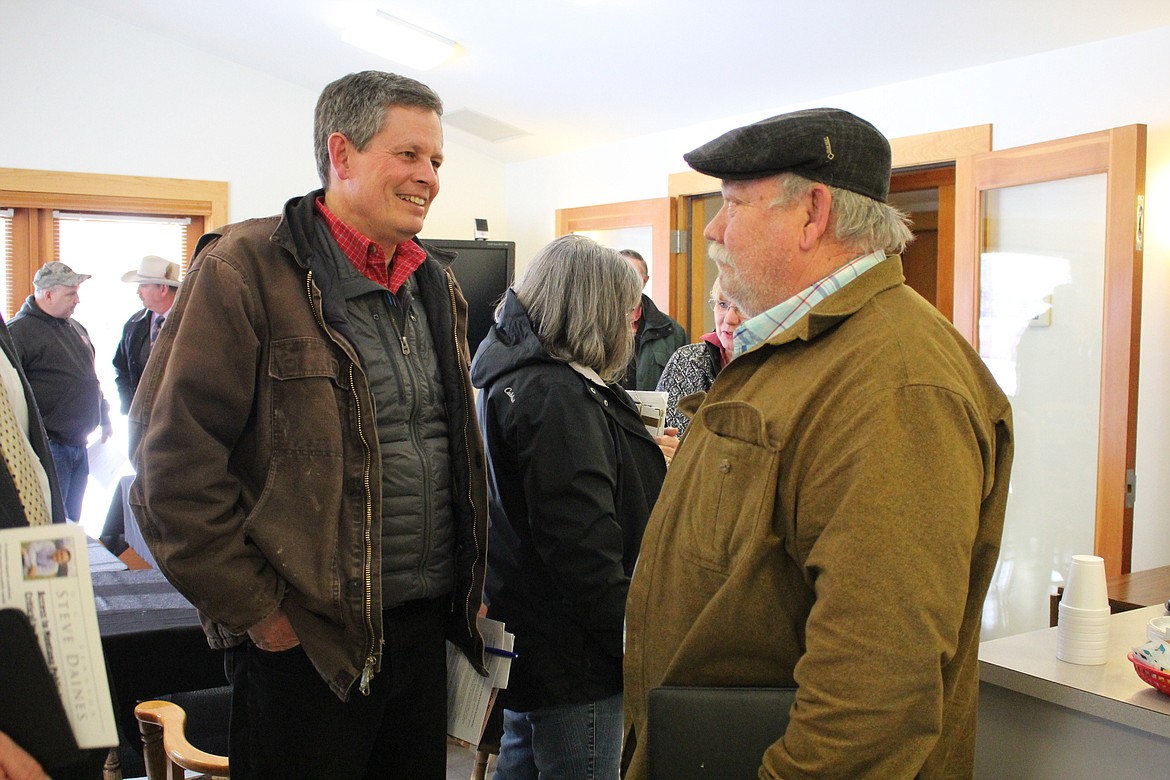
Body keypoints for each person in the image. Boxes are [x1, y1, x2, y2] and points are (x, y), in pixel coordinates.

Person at [623, 108, 1014, 779]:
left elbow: (873, 693)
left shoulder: (897, 383)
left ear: (812, 213)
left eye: (734, 204)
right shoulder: (798, 351)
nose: (714, 229)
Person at [129, 71, 489, 779]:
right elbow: (171, 473)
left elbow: (450, 452)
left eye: (437, 161)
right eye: (409, 155)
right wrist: (262, 618)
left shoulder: (433, 285)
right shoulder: (242, 272)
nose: (429, 178)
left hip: (419, 637)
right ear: (342, 154)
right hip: (306, 647)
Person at [470, 235, 668, 779]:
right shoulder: (556, 394)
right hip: (577, 656)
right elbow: (581, 548)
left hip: (532, 640)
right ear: (590, 309)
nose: (633, 323)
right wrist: (632, 642)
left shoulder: (512, 375)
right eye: (623, 310)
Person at [8, 262, 112, 523]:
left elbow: (90, 380)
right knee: (52, 521)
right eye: (71, 294)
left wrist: (105, 416)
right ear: (48, 294)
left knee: (73, 521)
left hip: (80, 444)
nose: (78, 300)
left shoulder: (75, 328)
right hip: (50, 445)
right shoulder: (17, 333)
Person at [654, 277, 743, 434]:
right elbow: (657, 429)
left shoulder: (779, 367)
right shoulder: (685, 360)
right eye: (722, 305)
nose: (729, 319)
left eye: (742, 307)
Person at [113, 255, 180, 414]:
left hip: (177, 419)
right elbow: (121, 367)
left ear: (163, 289)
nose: (138, 292)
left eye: (143, 286)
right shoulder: (134, 324)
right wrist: (130, 407)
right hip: (142, 417)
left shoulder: (191, 323)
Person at [617, 249, 687, 391]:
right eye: (621, 274)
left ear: (645, 280)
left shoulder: (672, 331)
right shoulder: (594, 325)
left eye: (633, 275)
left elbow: (682, 386)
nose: (627, 281)